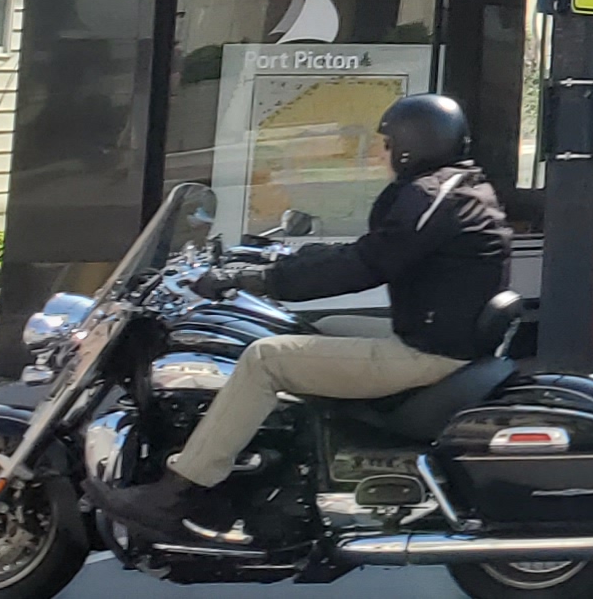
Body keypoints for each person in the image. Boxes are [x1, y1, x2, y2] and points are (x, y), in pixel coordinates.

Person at [89, 93, 512, 539]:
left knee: (264, 359)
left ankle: (179, 492)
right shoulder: (455, 187)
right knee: (308, 330)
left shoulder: (429, 197)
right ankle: (301, 461)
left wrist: (259, 279)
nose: (379, 153)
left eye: (385, 144)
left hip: (428, 353)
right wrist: (285, 257)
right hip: (442, 335)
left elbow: (365, 264)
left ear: (411, 147)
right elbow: (373, 250)